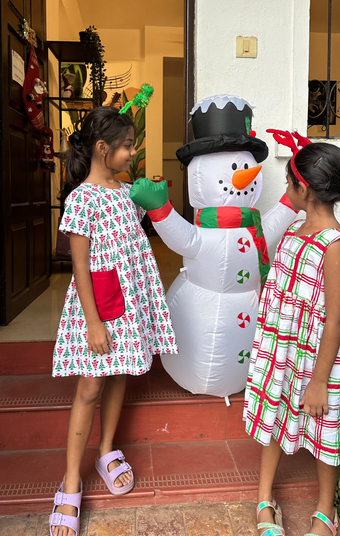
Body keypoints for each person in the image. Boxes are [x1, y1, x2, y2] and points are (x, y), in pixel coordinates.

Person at [49, 100, 178, 536]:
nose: (132, 154)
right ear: (102, 149)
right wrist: (93, 321)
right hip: (101, 307)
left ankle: (106, 450)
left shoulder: (127, 194)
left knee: (121, 375)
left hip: (131, 303)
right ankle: (70, 481)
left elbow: (136, 236)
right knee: (90, 388)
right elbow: (81, 267)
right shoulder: (82, 199)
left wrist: (156, 194)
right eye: (126, 147)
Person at [244, 131, 340, 536]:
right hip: (282, 350)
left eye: (288, 183)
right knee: (273, 417)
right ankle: (265, 498)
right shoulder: (296, 232)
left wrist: (318, 382)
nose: (286, 190)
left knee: (324, 429)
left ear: (306, 189)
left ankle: (324, 512)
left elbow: (333, 320)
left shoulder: (332, 245)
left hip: (318, 358)